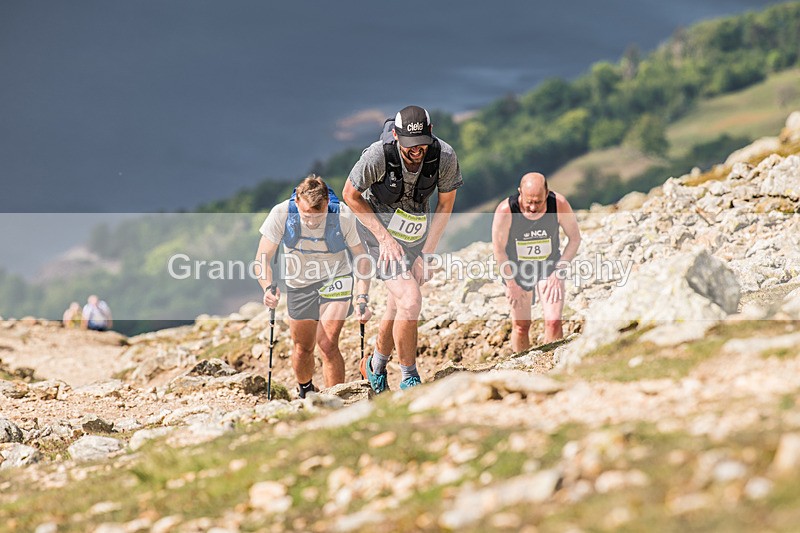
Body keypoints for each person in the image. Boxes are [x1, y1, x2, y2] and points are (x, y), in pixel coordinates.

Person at [343, 105, 462, 393]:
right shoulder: (377, 156)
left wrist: (426, 254)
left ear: (430, 132)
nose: (416, 151)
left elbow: (445, 204)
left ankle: (375, 365)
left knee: (398, 304)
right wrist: (384, 238)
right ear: (396, 136)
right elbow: (350, 195)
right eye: (410, 145)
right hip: (377, 235)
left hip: (414, 236)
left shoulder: (444, 156)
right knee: (410, 300)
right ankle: (410, 379)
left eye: (422, 143)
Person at [255, 175, 372, 398]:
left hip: (336, 279)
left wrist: (362, 298)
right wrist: (267, 287)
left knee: (327, 344)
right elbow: (262, 259)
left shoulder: (343, 215)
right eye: (306, 215)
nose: (311, 222)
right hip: (299, 284)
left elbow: (362, 258)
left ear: (327, 203)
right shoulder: (281, 214)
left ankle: (336, 399)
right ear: (297, 202)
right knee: (302, 348)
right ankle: (306, 390)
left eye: (318, 216)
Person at [491, 172, 581, 352]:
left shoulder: (558, 204)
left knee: (553, 321)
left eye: (538, 202)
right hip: (517, 269)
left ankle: (553, 362)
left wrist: (559, 272)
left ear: (547, 193)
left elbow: (575, 239)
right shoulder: (506, 210)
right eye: (529, 202)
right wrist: (511, 284)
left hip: (549, 266)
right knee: (521, 326)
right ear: (520, 193)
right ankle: (521, 365)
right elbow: (499, 250)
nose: (533, 207)